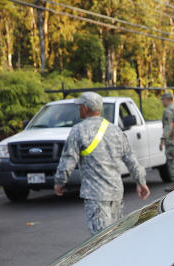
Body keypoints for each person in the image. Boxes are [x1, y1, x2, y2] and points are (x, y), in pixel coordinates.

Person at [54, 92, 150, 235]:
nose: (79, 108)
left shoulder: (78, 131)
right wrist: (141, 182)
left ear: (86, 108)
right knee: (116, 236)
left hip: (96, 196)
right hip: (116, 193)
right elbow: (130, 159)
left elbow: (68, 160)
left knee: (100, 241)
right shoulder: (115, 130)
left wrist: (60, 182)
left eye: (80, 105)